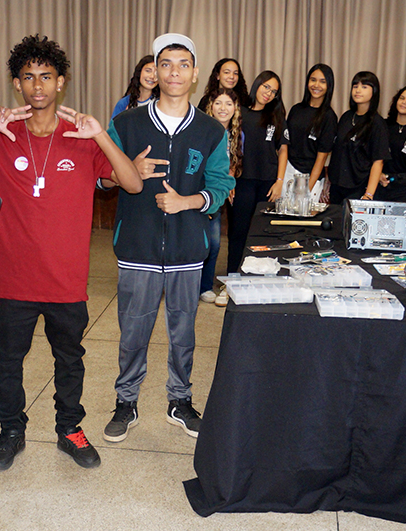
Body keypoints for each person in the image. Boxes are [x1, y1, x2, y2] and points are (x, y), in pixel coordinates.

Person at [0, 35, 142, 472]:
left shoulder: (82, 137)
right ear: (17, 84)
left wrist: (101, 135)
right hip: (11, 275)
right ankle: (11, 431)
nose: (37, 85)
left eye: (46, 76)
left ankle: (70, 428)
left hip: (64, 277)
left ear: (61, 82)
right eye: (28, 77)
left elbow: (133, 183)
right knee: (9, 361)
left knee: (69, 359)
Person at [104, 33, 234, 442]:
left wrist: (188, 202)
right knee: (132, 332)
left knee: (184, 332)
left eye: (183, 65)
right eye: (166, 64)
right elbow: (100, 175)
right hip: (137, 245)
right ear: (155, 72)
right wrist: (126, 172)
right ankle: (126, 400)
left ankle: (180, 399)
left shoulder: (211, 131)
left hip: (187, 248)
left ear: (195, 74)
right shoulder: (127, 123)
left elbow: (221, 184)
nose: (174, 72)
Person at [225, 70, 288, 275]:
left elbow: (283, 149)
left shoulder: (276, 115)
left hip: (268, 183)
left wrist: (279, 181)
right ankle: (233, 277)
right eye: (266, 87)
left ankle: (257, 276)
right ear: (257, 85)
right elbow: (230, 146)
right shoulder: (239, 111)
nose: (268, 93)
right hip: (242, 181)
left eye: (274, 91)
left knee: (262, 233)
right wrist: (230, 179)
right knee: (238, 233)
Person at [201, 88, 243, 307]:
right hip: (201, 191)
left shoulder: (237, 134)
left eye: (228, 104)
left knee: (214, 243)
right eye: (218, 103)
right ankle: (194, 285)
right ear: (211, 106)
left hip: (218, 194)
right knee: (200, 242)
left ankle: (205, 286)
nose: (223, 108)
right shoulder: (203, 129)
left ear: (235, 109)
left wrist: (229, 182)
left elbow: (234, 161)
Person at [327, 71, 389, 204]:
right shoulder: (346, 117)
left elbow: (378, 161)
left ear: (374, 91)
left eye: (364, 86)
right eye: (355, 86)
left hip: (359, 187)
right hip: (337, 186)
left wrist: (368, 195)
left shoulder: (377, 123)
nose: (358, 90)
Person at [286, 63, 337, 201]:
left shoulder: (329, 117)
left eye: (322, 81)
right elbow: (285, 145)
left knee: (302, 214)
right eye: (313, 80)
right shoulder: (296, 110)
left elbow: (322, 157)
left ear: (329, 86)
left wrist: (306, 189)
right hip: (288, 171)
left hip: (310, 177)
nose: (316, 85)